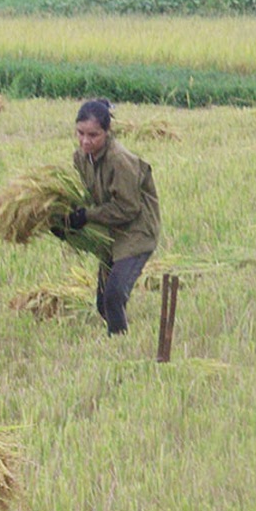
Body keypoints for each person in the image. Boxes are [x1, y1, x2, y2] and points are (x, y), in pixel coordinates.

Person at [62, 99, 160, 336]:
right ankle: (119, 334)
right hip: (112, 231)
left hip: (137, 231)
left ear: (107, 132)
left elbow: (128, 208)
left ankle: (120, 347)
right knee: (103, 302)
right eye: (81, 133)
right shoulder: (81, 158)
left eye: (93, 135)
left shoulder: (119, 160)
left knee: (115, 295)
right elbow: (87, 195)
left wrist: (88, 215)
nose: (86, 141)